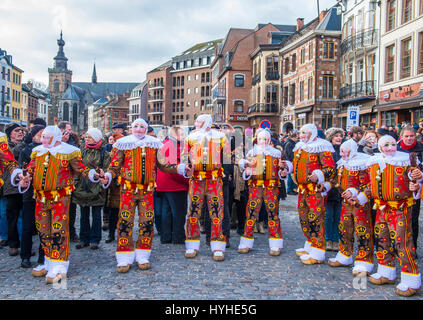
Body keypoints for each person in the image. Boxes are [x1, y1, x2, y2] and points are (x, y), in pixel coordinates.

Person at [14, 126, 97, 284]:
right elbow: (30, 169)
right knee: (43, 230)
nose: (43, 140)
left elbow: (81, 170)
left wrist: (95, 175)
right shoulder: (38, 152)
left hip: (60, 198)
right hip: (40, 197)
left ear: (56, 138)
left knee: (59, 230)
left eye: (46, 137)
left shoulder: (69, 152)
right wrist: (25, 177)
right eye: (43, 136)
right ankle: (48, 261)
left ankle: (59, 266)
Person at [99, 118, 181, 273]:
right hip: (128, 190)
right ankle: (124, 255)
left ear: (146, 129)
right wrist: (108, 176)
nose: (138, 129)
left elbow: (164, 164)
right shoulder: (122, 144)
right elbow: (114, 166)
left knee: (147, 222)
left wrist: (180, 168)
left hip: (147, 191)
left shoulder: (154, 144)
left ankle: (143, 254)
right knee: (125, 221)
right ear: (131, 128)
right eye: (135, 126)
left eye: (142, 126)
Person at [367, 134, 422, 297]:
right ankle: (386, 271)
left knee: (402, 242)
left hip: (400, 208)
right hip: (382, 208)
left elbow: (415, 177)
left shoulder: (405, 160)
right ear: (380, 147)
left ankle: (411, 278)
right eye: (386, 145)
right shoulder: (374, 162)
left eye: (393, 144)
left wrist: (416, 182)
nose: (390, 148)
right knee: (382, 239)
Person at [176, 114, 231, 261]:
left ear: (206, 123)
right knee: (193, 211)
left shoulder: (220, 137)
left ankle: (218, 245)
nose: (195, 123)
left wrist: (224, 171)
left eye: (198, 121)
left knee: (216, 212)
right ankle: (192, 244)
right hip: (196, 180)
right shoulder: (190, 138)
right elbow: (183, 156)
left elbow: (228, 156)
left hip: (214, 180)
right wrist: (186, 166)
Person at [237, 128, 291, 256]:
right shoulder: (251, 153)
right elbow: (245, 170)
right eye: (261, 139)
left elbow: (281, 169)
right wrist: (247, 172)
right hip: (255, 187)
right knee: (250, 213)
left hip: (271, 187)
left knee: (272, 214)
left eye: (266, 139)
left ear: (269, 140)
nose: (263, 141)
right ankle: (246, 241)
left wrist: (283, 172)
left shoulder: (276, 154)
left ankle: (276, 243)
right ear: (257, 140)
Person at [327, 139, 374, 277]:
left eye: (345, 151)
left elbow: (368, 185)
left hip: (360, 204)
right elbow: (336, 180)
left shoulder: (362, 164)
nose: (342, 154)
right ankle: (344, 253)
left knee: (362, 231)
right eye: (341, 151)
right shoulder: (342, 165)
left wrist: (356, 192)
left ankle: (364, 259)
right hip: (346, 203)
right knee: (344, 229)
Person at [292, 123, 336, 265]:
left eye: (305, 133)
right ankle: (310, 243)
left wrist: (318, 175)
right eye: (301, 133)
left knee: (316, 218)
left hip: (315, 190)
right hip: (302, 189)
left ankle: (318, 251)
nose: (302, 136)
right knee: (304, 217)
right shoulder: (300, 147)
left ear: (312, 133)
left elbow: (330, 169)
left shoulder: (322, 147)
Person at [72, 128, 110, 250]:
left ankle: (95, 239)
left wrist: (101, 179)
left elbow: (107, 169)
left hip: (97, 188)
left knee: (96, 215)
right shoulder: (81, 151)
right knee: (83, 215)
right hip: (83, 187)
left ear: (96, 138)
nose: (86, 139)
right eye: (86, 137)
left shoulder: (103, 153)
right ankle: (84, 238)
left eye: (89, 137)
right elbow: (77, 168)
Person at [18, 124, 45, 268]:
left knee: (44, 227)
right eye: (40, 133)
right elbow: (22, 169)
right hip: (30, 194)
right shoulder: (26, 150)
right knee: (27, 226)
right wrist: (24, 179)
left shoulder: (49, 151)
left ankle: (43, 256)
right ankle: (25, 256)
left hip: (44, 194)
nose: (42, 135)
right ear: (34, 135)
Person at [156, 126, 188, 244]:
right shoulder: (173, 146)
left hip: (164, 184)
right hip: (175, 184)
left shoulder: (165, 144)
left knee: (166, 212)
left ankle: (166, 236)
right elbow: (175, 168)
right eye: (181, 134)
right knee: (179, 212)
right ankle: (178, 236)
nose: (183, 137)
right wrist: (188, 180)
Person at [396, 125, 423, 251]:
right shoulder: (395, 148)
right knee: (397, 219)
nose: (409, 138)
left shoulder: (421, 148)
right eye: (406, 136)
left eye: (411, 136)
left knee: (413, 219)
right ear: (401, 137)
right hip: (399, 188)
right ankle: (397, 246)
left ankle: (412, 248)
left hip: (415, 188)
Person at [3, 123, 25, 257]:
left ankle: (24, 242)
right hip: (11, 187)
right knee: (12, 217)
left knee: (24, 217)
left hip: (24, 186)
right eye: (17, 131)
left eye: (22, 131)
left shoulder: (24, 146)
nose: (20, 133)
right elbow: (14, 153)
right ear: (10, 134)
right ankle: (13, 244)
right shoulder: (6, 147)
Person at [58, 121, 79, 243]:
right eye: (68, 130)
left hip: (71, 183)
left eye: (70, 130)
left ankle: (71, 231)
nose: (70, 132)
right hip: (59, 184)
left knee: (72, 210)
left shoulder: (73, 144)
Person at [324, 127, 344, 252]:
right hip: (329, 187)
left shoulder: (344, 150)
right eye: (336, 136)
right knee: (328, 215)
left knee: (338, 216)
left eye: (340, 136)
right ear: (331, 137)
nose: (339, 138)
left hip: (341, 188)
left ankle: (336, 240)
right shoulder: (327, 151)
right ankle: (327, 239)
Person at [104, 132, 124, 243]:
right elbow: (110, 167)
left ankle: (121, 233)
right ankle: (111, 233)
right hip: (114, 186)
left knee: (124, 212)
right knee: (113, 211)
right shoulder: (112, 152)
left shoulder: (125, 150)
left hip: (124, 184)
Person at [284, 130, 299, 195]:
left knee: (292, 175)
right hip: (290, 162)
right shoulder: (290, 143)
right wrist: (293, 160)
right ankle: (290, 189)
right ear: (294, 137)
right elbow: (290, 154)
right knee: (290, 176)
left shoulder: (290, 142)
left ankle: (292, 189)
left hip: (291, 161)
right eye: (297, 136)